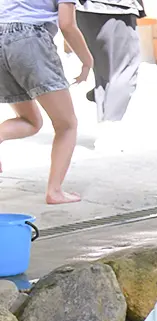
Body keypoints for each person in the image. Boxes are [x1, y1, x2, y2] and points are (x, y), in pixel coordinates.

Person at [0, 0, 92, 204]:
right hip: (29, 40)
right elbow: (67, 24)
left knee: (30, 121)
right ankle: (55, 191)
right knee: (66, 125)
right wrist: (87, 61)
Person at [76, 0, 144, 137]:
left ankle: (104, 126)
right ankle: (109, 131)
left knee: (103, 73)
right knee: (123, 71)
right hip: (115, 9)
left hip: (82, 9)